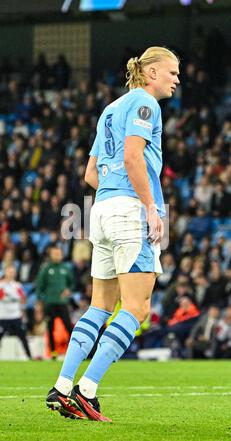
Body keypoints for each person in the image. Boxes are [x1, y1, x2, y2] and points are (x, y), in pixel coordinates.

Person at [46, 46, 180, 421]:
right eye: (171, 72)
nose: (176, 79)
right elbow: (133, 158)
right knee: (136, 308)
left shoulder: (109, 110)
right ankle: (87, 390)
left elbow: (91, 175)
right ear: (151, 73)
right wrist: (151, 207)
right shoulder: (145, 104)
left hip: (100, 209)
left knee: (99, 306)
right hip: (130, 210)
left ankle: (63, 385)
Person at [36, 245, 75, 359]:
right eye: (55, 254)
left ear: (62, 255)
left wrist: (69, 290)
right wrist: (40, 300)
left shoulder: (65, 268)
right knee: (50, 327)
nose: (57, 256)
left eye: (59, 253)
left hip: (62, 303)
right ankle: (53, 352)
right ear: (51, 255)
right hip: (50, 303)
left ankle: (73, 351)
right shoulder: (46, 269)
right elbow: (40, 285)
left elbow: (72, 283)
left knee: (68, 326)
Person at [0, 265, 31, 359]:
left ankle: (29, 356)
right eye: (10, 272)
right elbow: (1, 297)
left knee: (23, 337)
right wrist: (14, 297)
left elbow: (23, 299)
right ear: (5, 273)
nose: (12, 274)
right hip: (3, 316)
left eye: (13, 272)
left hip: (15, 316)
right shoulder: (1, 285)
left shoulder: (17, 285)